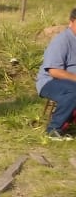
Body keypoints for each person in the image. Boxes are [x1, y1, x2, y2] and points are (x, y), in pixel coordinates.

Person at [35, 7, 76, 140]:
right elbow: (54, 71)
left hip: (70, 82)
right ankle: (54, 129)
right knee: (74, 91)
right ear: (72, 22)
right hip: (50, 82)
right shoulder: (62, 40)